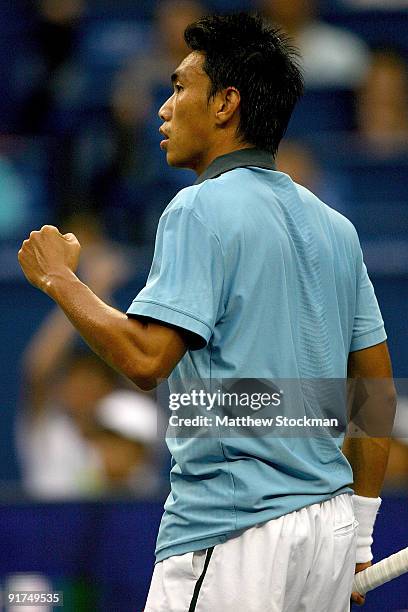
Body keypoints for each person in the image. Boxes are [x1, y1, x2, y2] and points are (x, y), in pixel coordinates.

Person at [18, 12, 396, 612]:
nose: (162, 110)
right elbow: (374, 393)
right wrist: (361, 533)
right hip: (327, 536)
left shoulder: (197, 208)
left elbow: (146, 359)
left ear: (225, 103)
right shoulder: (336, 228)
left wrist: (61, 280)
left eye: (177, 88)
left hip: (235, 536)